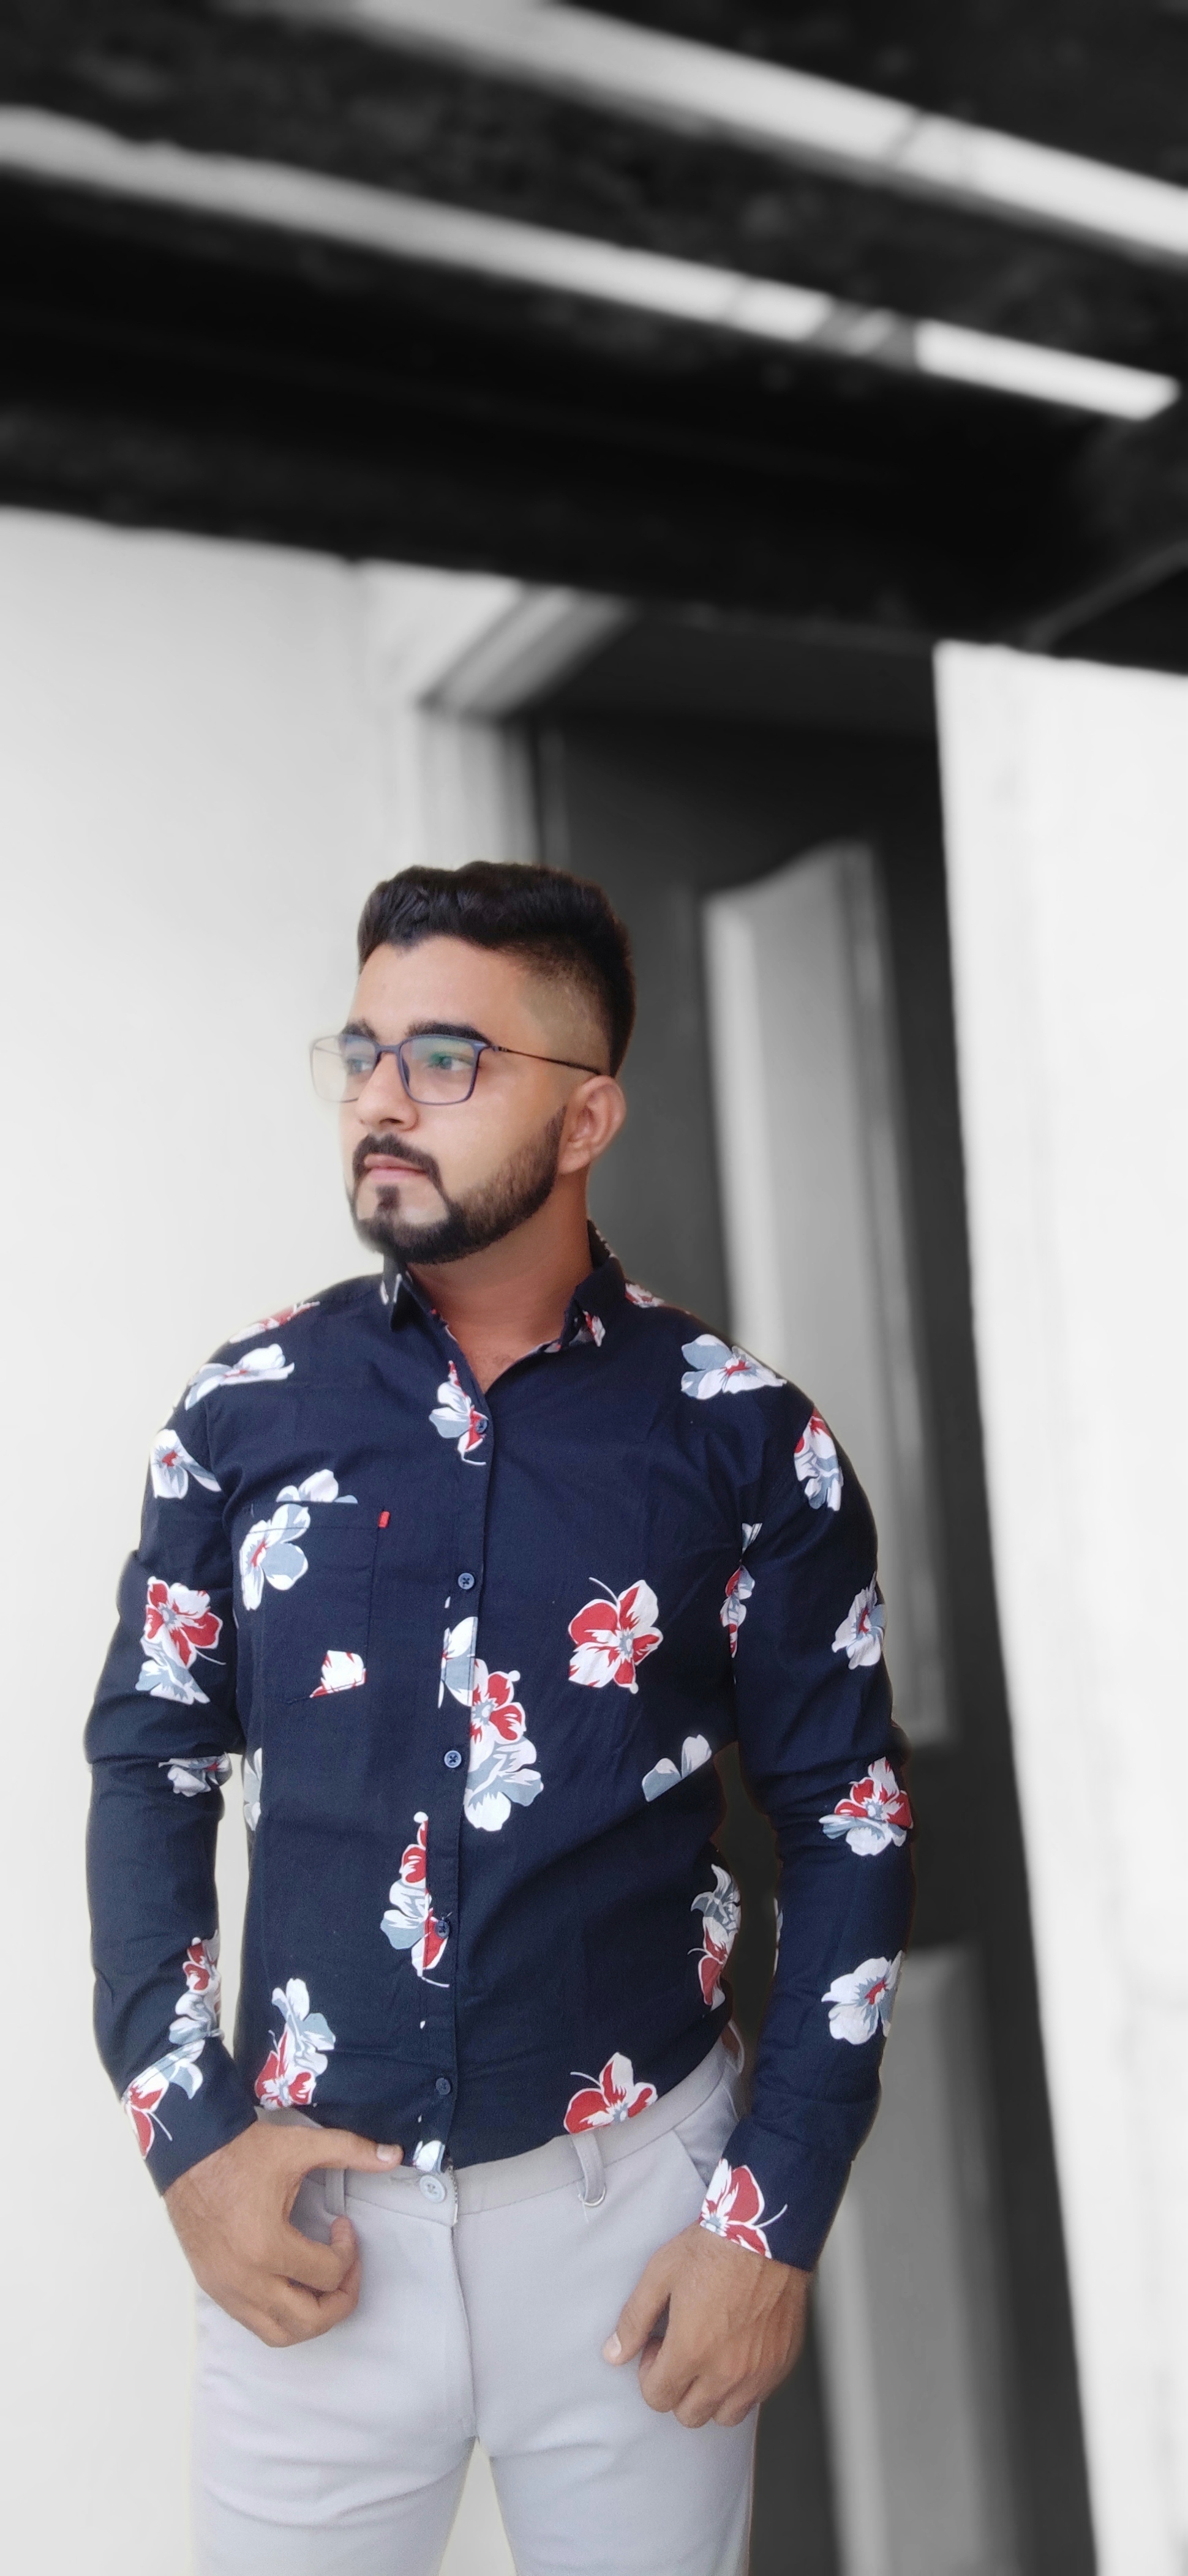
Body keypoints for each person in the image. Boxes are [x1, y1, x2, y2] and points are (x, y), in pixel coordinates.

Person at [86, 859, 913, 2576]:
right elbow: (151, 1764)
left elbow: (849, 1819)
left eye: (447, 1058)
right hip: (310, 2230)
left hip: (640, 2221)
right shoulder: (242, 1415)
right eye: (364, 1052)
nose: (382, 1100)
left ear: (586, 1112)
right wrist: (186, 2139)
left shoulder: (744, 1439)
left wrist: (770, 2217)